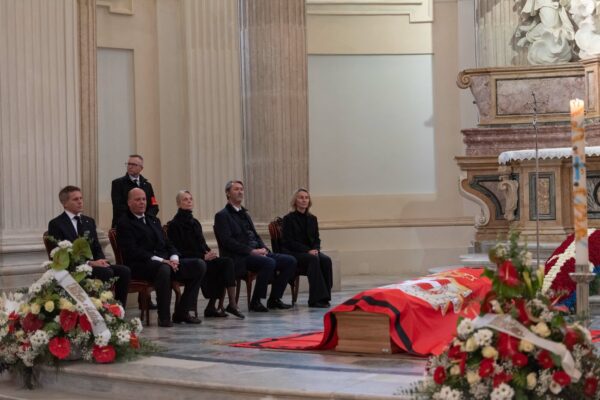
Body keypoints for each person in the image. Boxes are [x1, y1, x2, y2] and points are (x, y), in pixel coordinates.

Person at [117, 188, 205, 327]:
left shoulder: (153, 220)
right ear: (129, 203)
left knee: (199, 265)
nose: (142, 202)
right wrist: (163, 260)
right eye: (137, 199)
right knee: (164, 269)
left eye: (144, 199)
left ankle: (182, 311)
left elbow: (168, 243)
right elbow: (133, 251)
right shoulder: (124, 223)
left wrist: (174, 258)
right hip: (141, 265)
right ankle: (164, 317)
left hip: (166, 262)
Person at [214, 180, 297, 312]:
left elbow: (256, 235)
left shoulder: (245, 214)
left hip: (256, 253)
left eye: (241, 189)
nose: (240, 191)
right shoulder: (222, 215)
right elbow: (227, 242)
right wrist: (251, 251)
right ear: (228, 193)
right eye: (236, 189)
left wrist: (264, 249)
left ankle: (274, 298)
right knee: (268, 262)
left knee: (290, 261)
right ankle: (256, 301)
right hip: (239, 257)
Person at [48, 186, 131, 306]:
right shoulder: (56, 224)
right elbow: (60, 254)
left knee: (124, 271)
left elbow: (96, 246)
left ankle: (118, 309)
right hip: (74, 268)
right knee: (105, 273)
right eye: (75, 199)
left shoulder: (89, 221)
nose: (80, 201)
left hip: (94, 265)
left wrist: (101, 260)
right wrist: (89, 263)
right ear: (65, 203)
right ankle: (102, 309)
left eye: (81, 198)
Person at [167, 190, 245, 319]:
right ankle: (191, 309)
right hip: (188, 261)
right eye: (185, 199)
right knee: (203, 264)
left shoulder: (195, 222)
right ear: (178, 203)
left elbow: (202, 244)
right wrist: (202, 256)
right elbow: (178, 250)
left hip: (201, 258)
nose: (189, 201)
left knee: (226, 263)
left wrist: (209, 252)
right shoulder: (174, 225)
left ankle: (226, 304)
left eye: (190, 199)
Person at [281, 188, 332, 308]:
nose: (304, 200)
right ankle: (315, 300)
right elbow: (288, 241)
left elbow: (316, 238)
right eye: (301, 197)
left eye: (306, 198)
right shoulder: (288, 219)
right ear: (295, 201)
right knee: (313, 259)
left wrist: (316, 249)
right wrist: (307, 250)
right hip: (294, 252)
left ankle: (325, 297)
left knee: (326, 260)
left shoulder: (312, 219)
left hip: (310, 251)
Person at [111, 154, 159, 228]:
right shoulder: (118, 183)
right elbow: (118, 206)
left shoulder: (147, 185)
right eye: (128, 164)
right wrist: (137, 217)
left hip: (145, 223)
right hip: (125, 225)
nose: (130, 166)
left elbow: (154, 206)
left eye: (133, 164)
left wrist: (145, 217)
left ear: (141, 168)